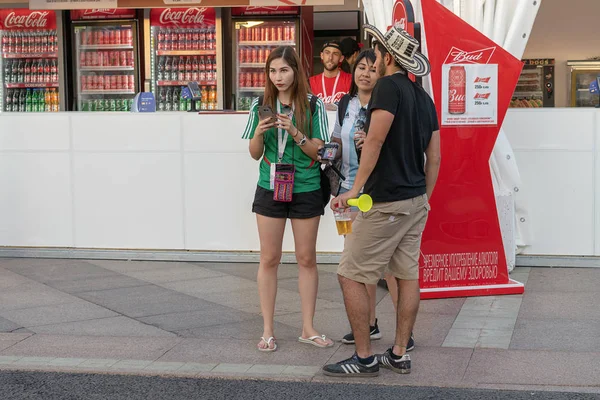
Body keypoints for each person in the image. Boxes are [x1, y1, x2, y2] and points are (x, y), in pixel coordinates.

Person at [322, 23, 441, 377]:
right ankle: (400, 353)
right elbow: (433, 157)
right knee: (406, 276)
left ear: (388, 57)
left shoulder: (387, 87)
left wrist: (354, 190)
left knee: (350, 275)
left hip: (384, 201)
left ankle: (364, 357)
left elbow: (373, 142)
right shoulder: (424, 97)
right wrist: (425, 199)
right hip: (415, 199)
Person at [241, 46, 334, 352]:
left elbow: (319, 151)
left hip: (306, 187)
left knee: (307, 259)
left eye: (284, 70)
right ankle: (267, 330)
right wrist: (259, 132)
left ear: (296, 71)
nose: (278, 77)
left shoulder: (312, 105)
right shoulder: (261, 105)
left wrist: (295, 131)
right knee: (269, 258)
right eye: (272, 71)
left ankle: (308, 328)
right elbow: (255, 154)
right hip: (270, 185)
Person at [309, 41, 352, 111]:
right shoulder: (310, 82)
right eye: (327, 53)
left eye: (335, 54)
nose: (330, 58)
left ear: (341, 58)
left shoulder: (351, 80)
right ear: (322, 55)